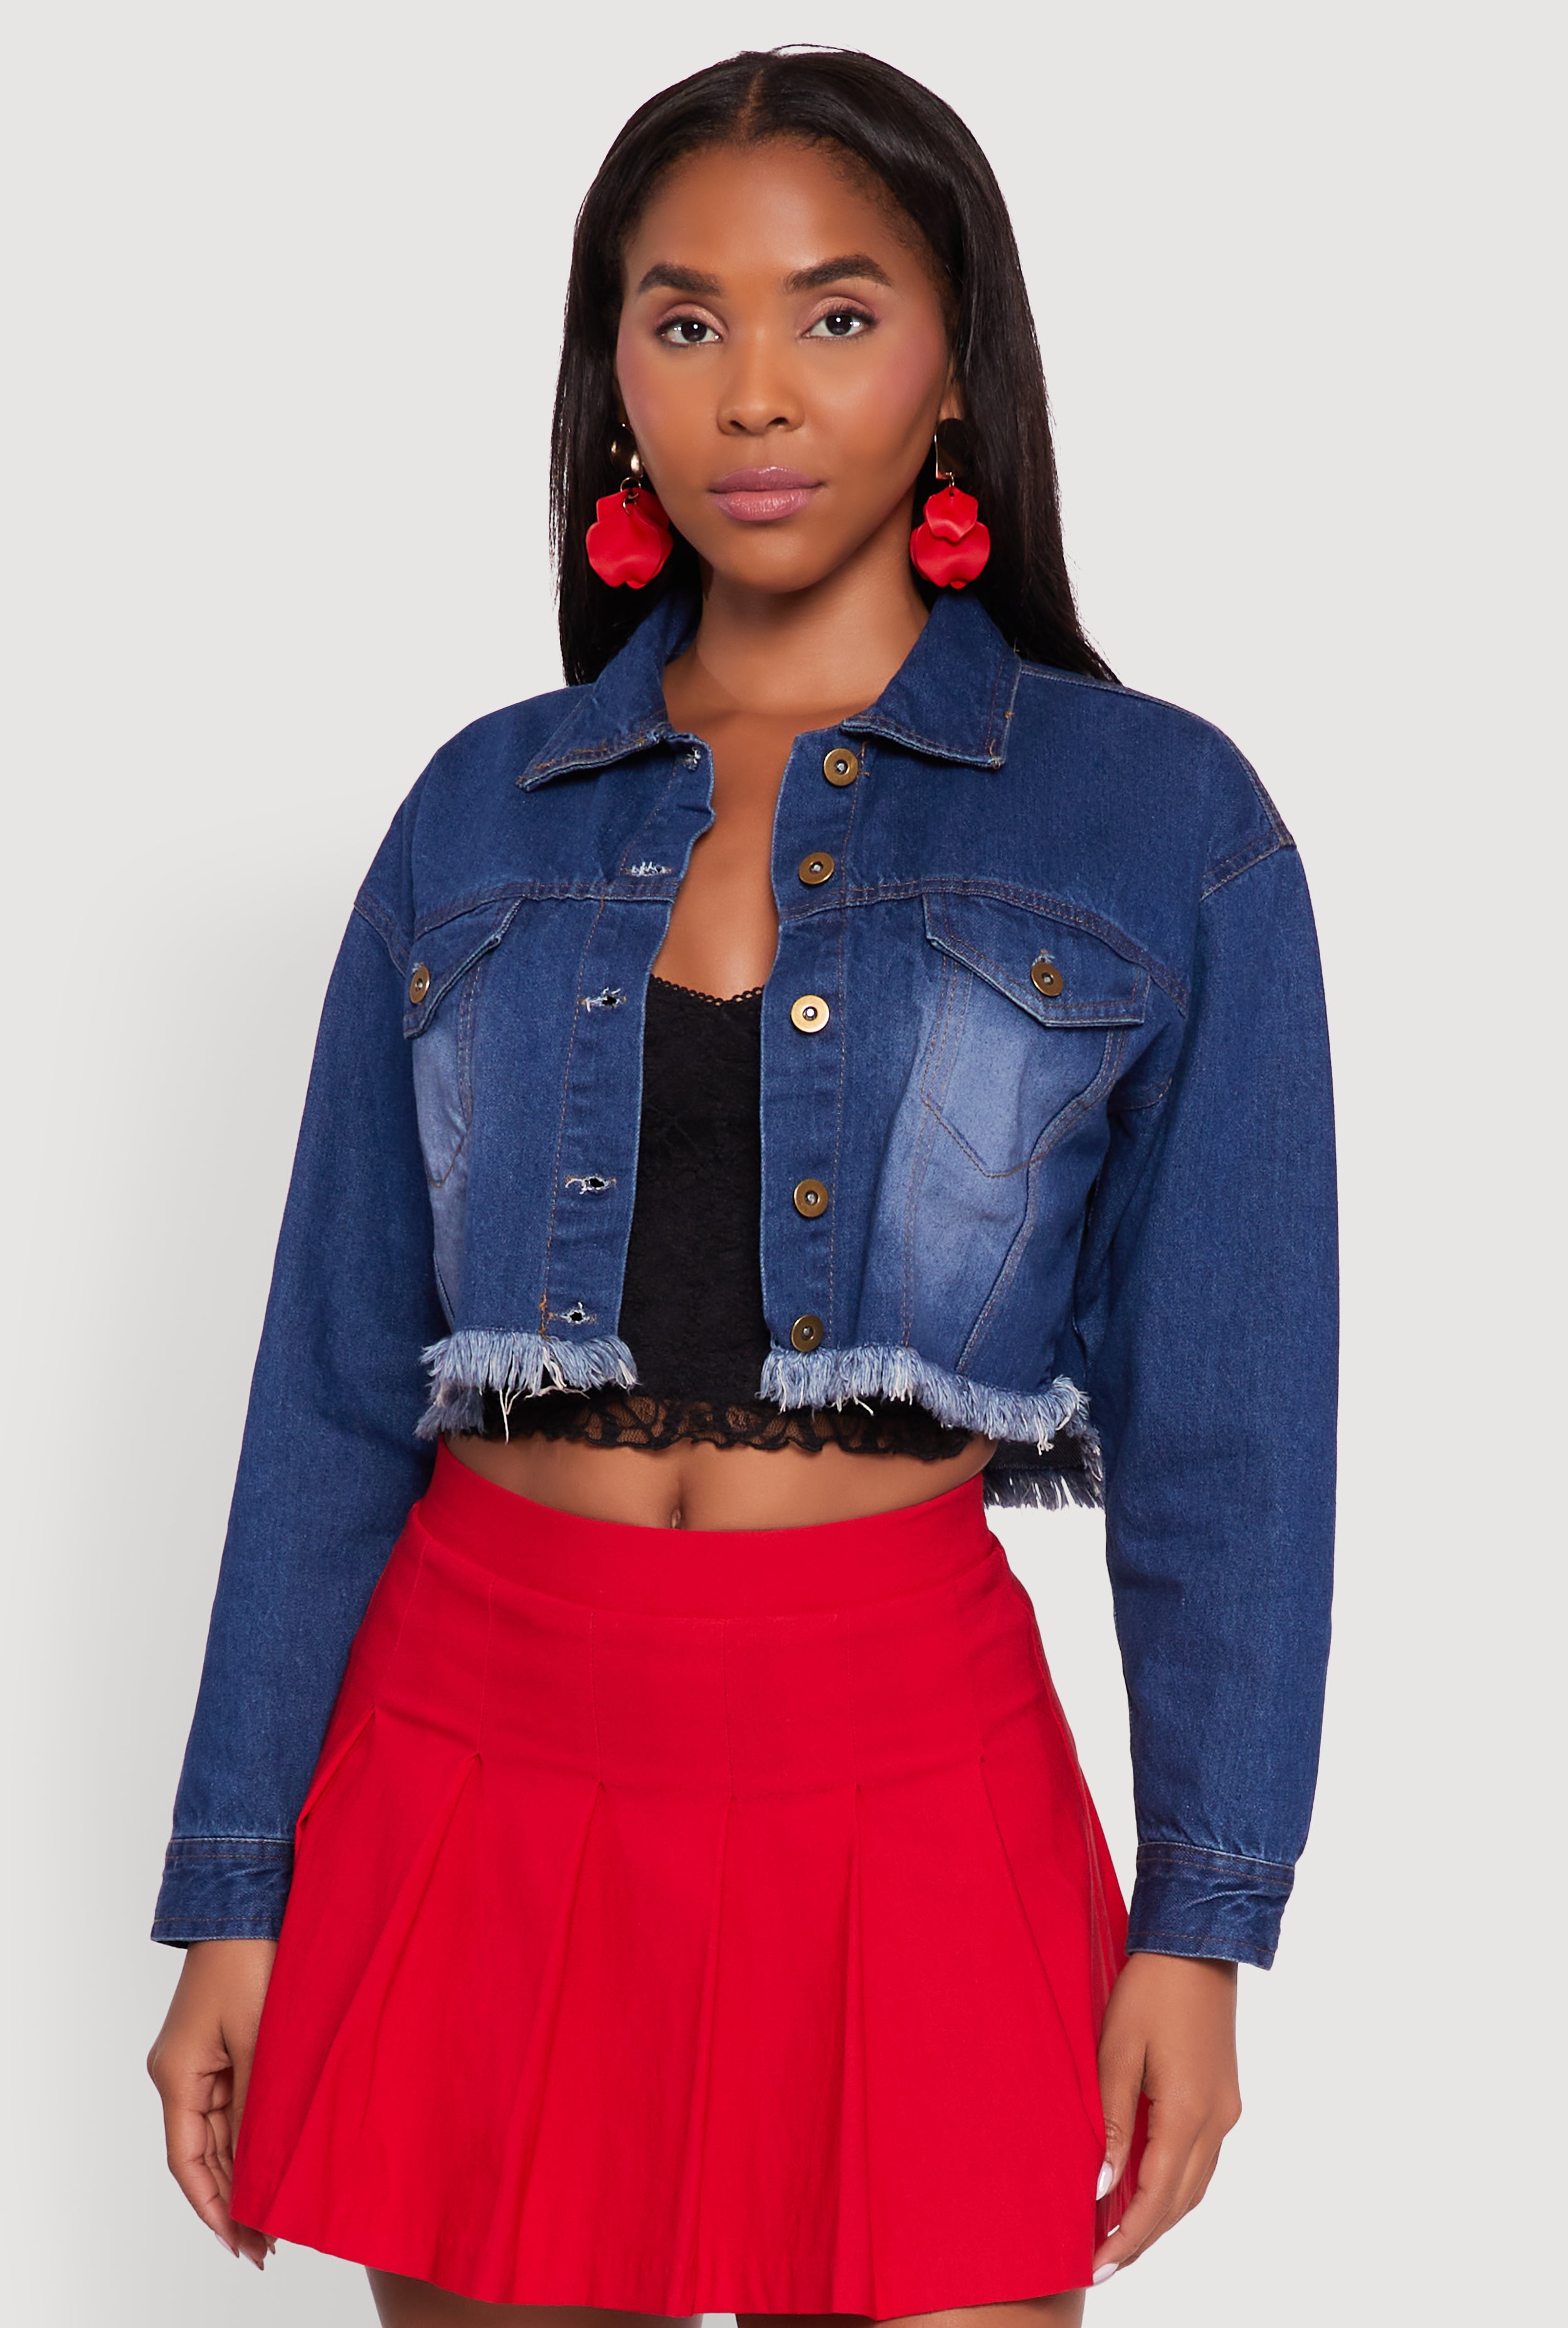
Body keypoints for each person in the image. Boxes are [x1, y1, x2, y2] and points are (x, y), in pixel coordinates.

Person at [146, 46, 1337, 2328]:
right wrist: (233, 1887)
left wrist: (1201, 1924)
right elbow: (328, 1388)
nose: (755, 392)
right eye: (683, 320)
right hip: (472, 1758)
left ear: (956, 365)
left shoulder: (1153, 820)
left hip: (902, 1764)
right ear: (610, 377)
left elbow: (1234, 1431)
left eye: (836, 313)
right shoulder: (478, 811)